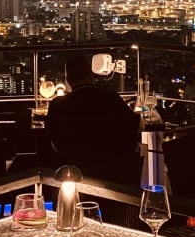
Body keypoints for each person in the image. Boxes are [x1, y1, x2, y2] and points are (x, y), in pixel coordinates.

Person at [45, 54, 141, 184]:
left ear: (68, 81)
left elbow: (51, 136)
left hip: (72, 170)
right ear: (91, 76)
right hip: (113, 171)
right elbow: (132, 125)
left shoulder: (58, 105)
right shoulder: (112, 98)